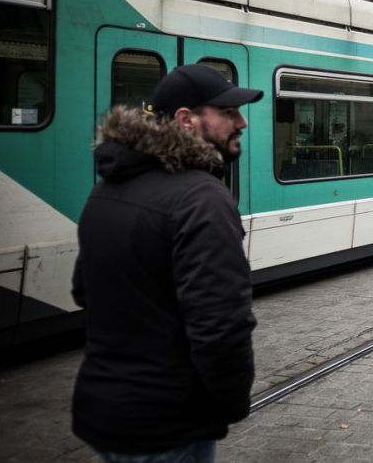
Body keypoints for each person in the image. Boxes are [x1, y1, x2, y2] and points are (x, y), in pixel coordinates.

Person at [72, 64, 263, 461]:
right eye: (228, 113)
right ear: (186, 119)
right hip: (170, 423)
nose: (241, 121)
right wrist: (231, 402)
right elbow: (221, 328)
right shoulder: (202, 199)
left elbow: (83, 289)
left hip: (105, 412)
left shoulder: (106, 189)